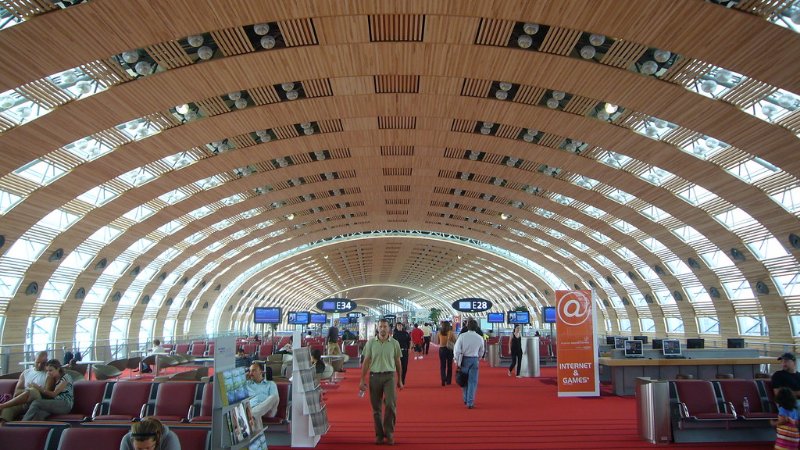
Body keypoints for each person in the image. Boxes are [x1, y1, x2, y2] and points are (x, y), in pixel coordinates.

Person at [360, 319, 403, 445]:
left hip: (389, 377)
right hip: (374, 377)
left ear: (389, 328)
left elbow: (398, 362)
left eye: (385, 326)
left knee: (390, 404)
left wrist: (400, 379)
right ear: (377, 328)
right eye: (380, 326)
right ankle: (379, 434)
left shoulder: (394, 343)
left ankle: (389, 433)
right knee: (376, 408)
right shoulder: (371, 343)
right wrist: (362, 379)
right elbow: (366, 361)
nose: (383, 329)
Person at [0, 351, 50, 422]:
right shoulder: (26, 373)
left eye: (43, 363)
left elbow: (48, 396)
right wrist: (27, 391)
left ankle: (2, 405)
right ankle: (3, 428)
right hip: (23, 403)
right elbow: (16, 393)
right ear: (34, 360)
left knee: (33, 390)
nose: (39, 365)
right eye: (37, 362)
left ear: (47, 362)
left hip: (38, 402)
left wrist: (35, 389)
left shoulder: (49, 374)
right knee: (8, 408)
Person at [454, 318, 485, 409]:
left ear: (467, 326)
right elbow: (482, 350)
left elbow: (457, 349)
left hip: (464, 359)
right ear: (476, 327)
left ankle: (465, 398)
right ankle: (470, 402)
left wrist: (456, 360)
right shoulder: (479, 338)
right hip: (474, 359)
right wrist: (478, 357)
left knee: (464, 380)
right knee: (472, 382)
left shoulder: (462, 336)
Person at [246, 362, 279, 430]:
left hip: (268, 410)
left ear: (261, 371)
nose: (251, 373)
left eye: (254, 370)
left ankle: (253, 414)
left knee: (274, 397)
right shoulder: (247, 384)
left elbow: (274, 400)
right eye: (250, 371)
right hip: (252, 408)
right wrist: (243, 378)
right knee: (256, 414)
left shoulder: (270, 384)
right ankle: (258, 437)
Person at [438, 321, 456, 386]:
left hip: (442, 349)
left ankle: (443, 378)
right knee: (449, 365)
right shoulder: (451, 333)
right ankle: (448, 380)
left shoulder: (440, 332)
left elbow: (438, 341)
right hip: (449, 350)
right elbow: (455, 341)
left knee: (442, 365)